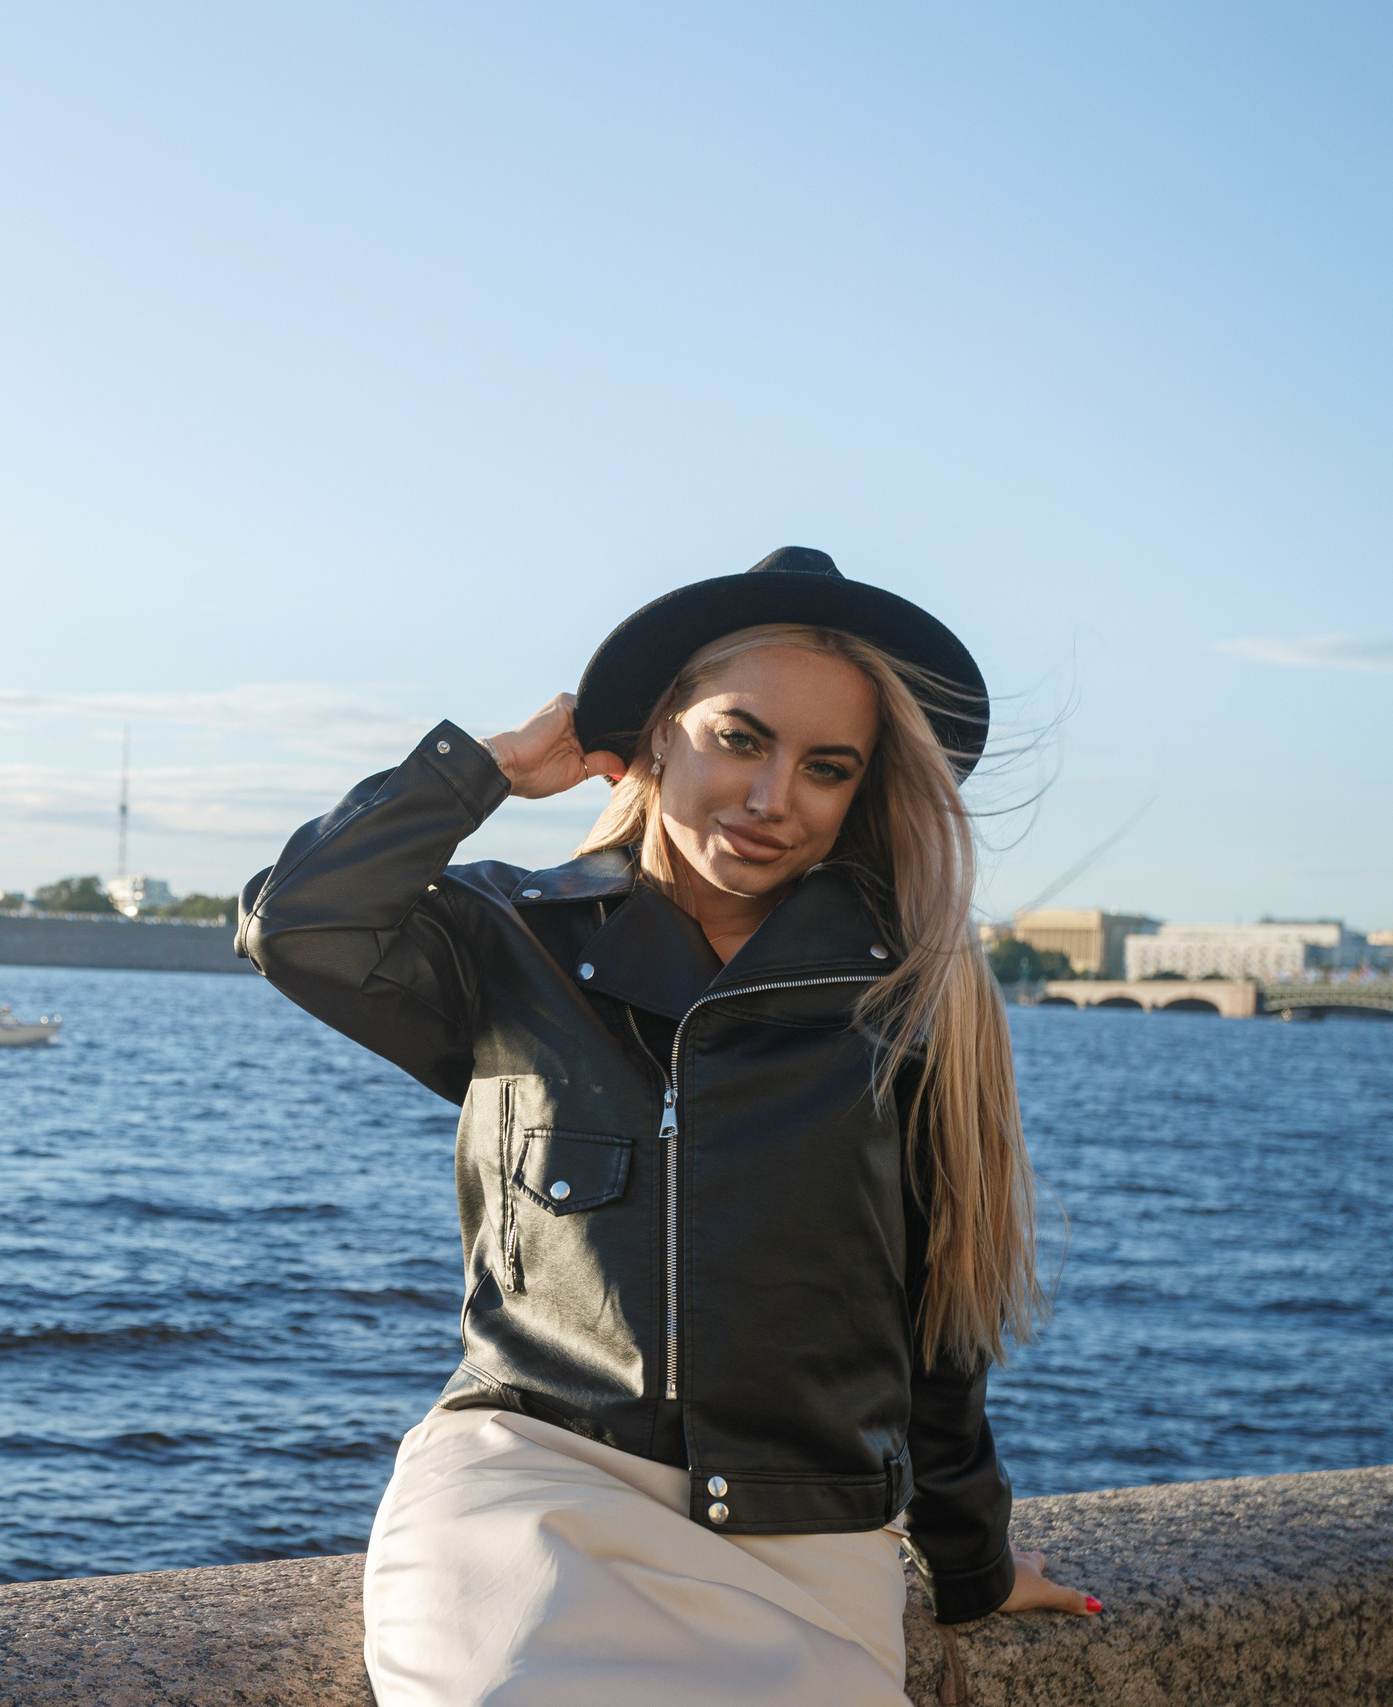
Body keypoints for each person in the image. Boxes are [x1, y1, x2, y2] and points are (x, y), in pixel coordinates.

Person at [236, 548, 1096, 1705]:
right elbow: (299, 927)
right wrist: (486, 768)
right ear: (656, 735)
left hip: (805, 1543)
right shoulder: (514, 939)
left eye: (826, 767)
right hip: (530, 1490)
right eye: (738, 738)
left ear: (861, 793)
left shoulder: (907, 997)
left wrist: (970, 1564)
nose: (772, 797)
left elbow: (939, 1327)